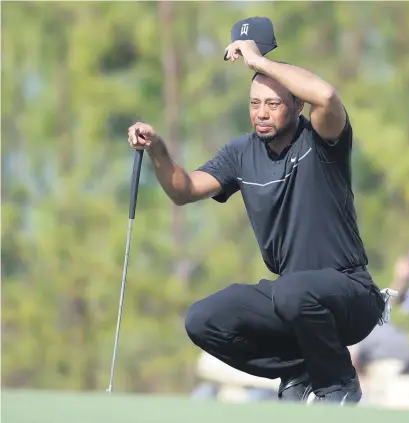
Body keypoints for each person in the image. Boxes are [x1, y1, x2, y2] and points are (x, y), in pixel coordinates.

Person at [127, 38, 388, 405]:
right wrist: (156, 148)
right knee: (204, 319)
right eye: (254, 104)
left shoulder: (321, 140)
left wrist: (258, 62)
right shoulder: (240, 153)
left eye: (272, 104)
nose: (261, 113)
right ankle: (299, 367)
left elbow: (327, 96)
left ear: (297, 105)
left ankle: (338, 386)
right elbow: (183, 189)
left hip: (351, 295)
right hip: (293, 302)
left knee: (292, 291)